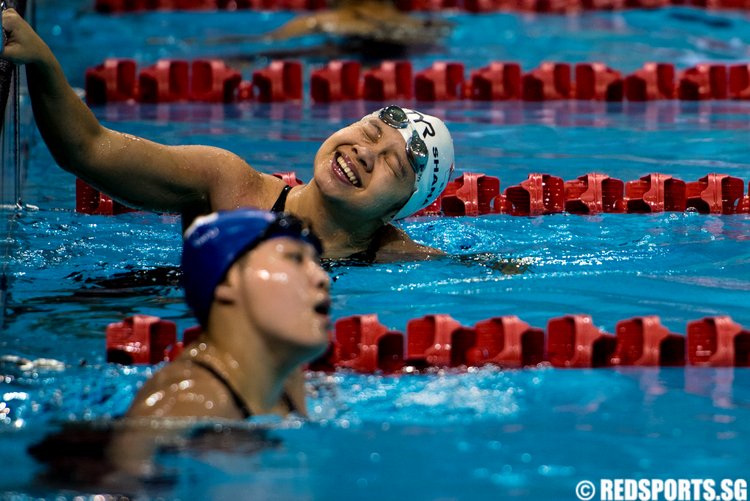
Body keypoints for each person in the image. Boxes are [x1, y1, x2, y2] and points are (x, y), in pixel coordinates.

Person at [0, 8, 455, 262]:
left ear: (398, 210)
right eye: (368, 132)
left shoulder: (395, 256)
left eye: (392, 164)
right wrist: (42, 63)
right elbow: (89, 150)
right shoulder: (227, 184)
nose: (364, 153)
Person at [126, 208, 331, 419]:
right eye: (295, 258)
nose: (323, 277)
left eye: (316, 262)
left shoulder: (286, 382)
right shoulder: (183, 404)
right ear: (227, 281)